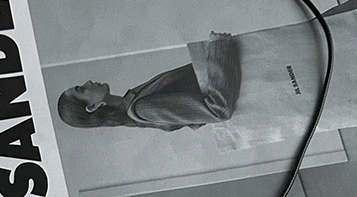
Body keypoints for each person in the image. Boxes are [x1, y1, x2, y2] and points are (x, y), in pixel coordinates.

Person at [57, 32, 241, 132]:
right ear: (93, 107)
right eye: (81, 89)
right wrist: (219, 47)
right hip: (240, 79)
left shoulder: (134, 101)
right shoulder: (140, 109)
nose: (88, 82)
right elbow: (218, 110)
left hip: (237, 74)